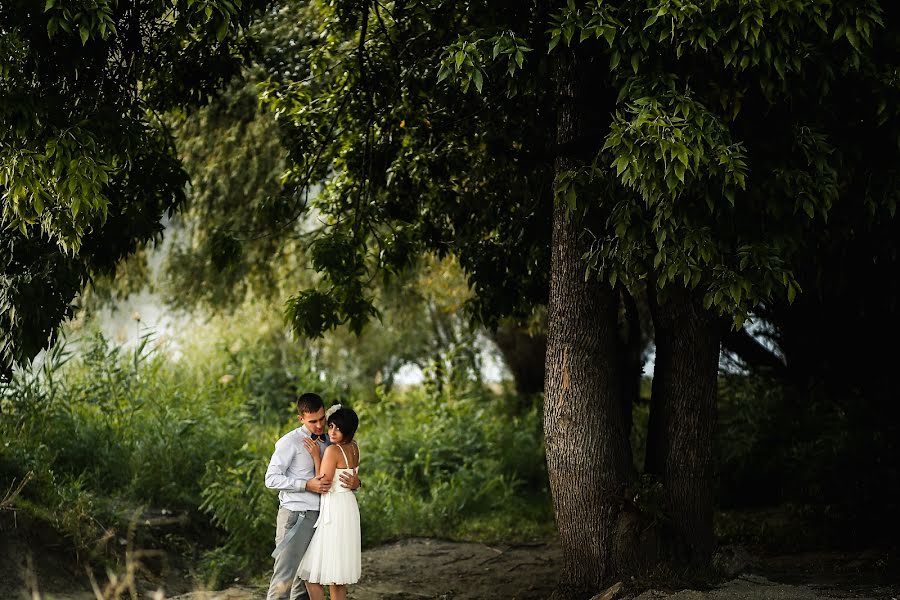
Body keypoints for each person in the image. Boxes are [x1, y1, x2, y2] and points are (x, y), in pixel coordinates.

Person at [264, 393, 360, 600]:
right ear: (301, 419)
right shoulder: (289, 442)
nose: (319, 426)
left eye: (322, 419)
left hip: (325, 518)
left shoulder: (332, 439)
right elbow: (271, 479)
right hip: (297, 515)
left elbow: (343, 473)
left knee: (305, 578)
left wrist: (357, 483)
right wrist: (305, 484)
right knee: (285, 576)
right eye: (312, 421)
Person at [296, 405, 361, 600]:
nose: (331, 432)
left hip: (334, 510)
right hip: (348, 506)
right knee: (337, 576)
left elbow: (322, 482)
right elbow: (351, 477)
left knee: (309, 571)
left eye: (338, 429)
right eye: (331, 426)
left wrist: (317, 456)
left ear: (348, 430)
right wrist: (357, 483)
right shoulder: (355, 447)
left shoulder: (333, 450)